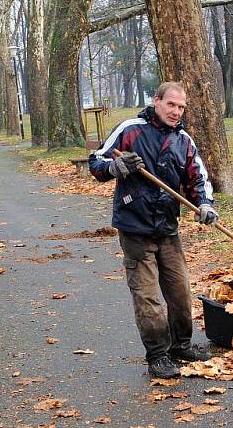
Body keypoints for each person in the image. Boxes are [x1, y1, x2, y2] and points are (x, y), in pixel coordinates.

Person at [89, 81, 217, 379]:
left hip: (167, 228)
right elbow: (96, 162)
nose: (176, 111)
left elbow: (198, 178)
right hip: (135, 227)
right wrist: (115, 168)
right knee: (148, 297)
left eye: (181, 107)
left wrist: (206, 205)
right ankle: (158, 354)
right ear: (156, 101)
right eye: (171, 104)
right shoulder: (131, 129)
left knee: (180, 292)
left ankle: (180, 345)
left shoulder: (183, 139)